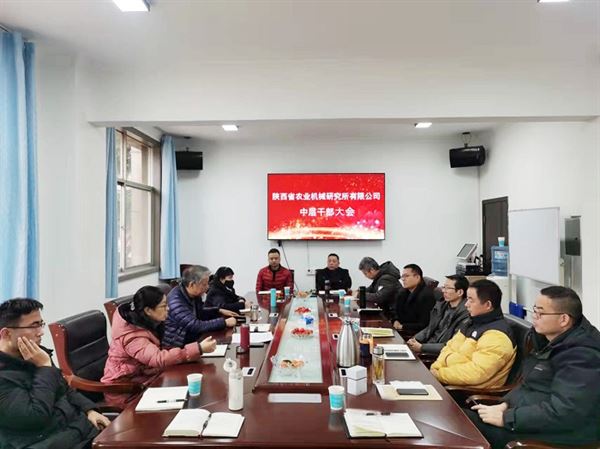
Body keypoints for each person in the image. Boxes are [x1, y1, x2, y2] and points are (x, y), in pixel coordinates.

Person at [467, 286, 600, 449]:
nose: (534, 317)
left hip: (554, 435)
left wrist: (507, 418)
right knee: (462, 420)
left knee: (465, 430)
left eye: (540, 313)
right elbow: (528, 384)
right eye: (534, 310)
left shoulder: (582, 355)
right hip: (527, 420)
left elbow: (566, 412)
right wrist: (505, 404)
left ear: (564, 319)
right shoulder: (547, 341)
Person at [0, 298, 110, 449]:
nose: (41, 332)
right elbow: (36, 416)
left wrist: (89, 410)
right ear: (6, 333)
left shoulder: (36, 354)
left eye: (41, 324)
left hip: (81, 430)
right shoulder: (7, 374)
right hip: (49, 442)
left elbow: (64, 387)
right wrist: (45, 368)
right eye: (33, 326)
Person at [102, 286, 217, 407]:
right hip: (126, 392)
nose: (168, 308)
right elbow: (158, 358)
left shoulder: (146, 322)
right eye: (163, 306)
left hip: (145, 379)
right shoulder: (132, 336)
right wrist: (198, 348)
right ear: (148, 310)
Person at [430, 279, 516, 388]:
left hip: (467, 393)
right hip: (446, 381)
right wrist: (435, 368)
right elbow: (448, 348)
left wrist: (439, 374)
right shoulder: (470, 323)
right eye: (467, 299)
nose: (466, 304)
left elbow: (476, 373)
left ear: (488, 305)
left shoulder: (497, 336)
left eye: (471, 300)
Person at [163, 265, 237, 348]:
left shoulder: (193, 294)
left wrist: (219, 310)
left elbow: (200, 313)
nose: (207, 287)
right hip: (177, 346)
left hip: (193, 338)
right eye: (204, 284)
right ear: (192, 285)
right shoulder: (176, 301)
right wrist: (224, 322)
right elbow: (195, 325)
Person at [407, 274, 470, 356]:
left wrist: (422, 347)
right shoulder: (441, 306)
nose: (443, 291)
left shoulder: (465, 314)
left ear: (460, 292)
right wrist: (414, 339)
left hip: (437, 354)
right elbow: (430, 328)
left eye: (448, 288)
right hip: (426, 346)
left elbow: (452, 345)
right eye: (444, 287)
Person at [390, 264, 436, 334]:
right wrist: (395, 320)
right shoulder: (403, 292)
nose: (403, 279)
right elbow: (395, 310)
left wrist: (402, 326)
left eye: (406, 276)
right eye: (402, 276)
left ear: (417, 277)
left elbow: (424, 324)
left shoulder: (426, 296)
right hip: (401, 329)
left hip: (413, 334)